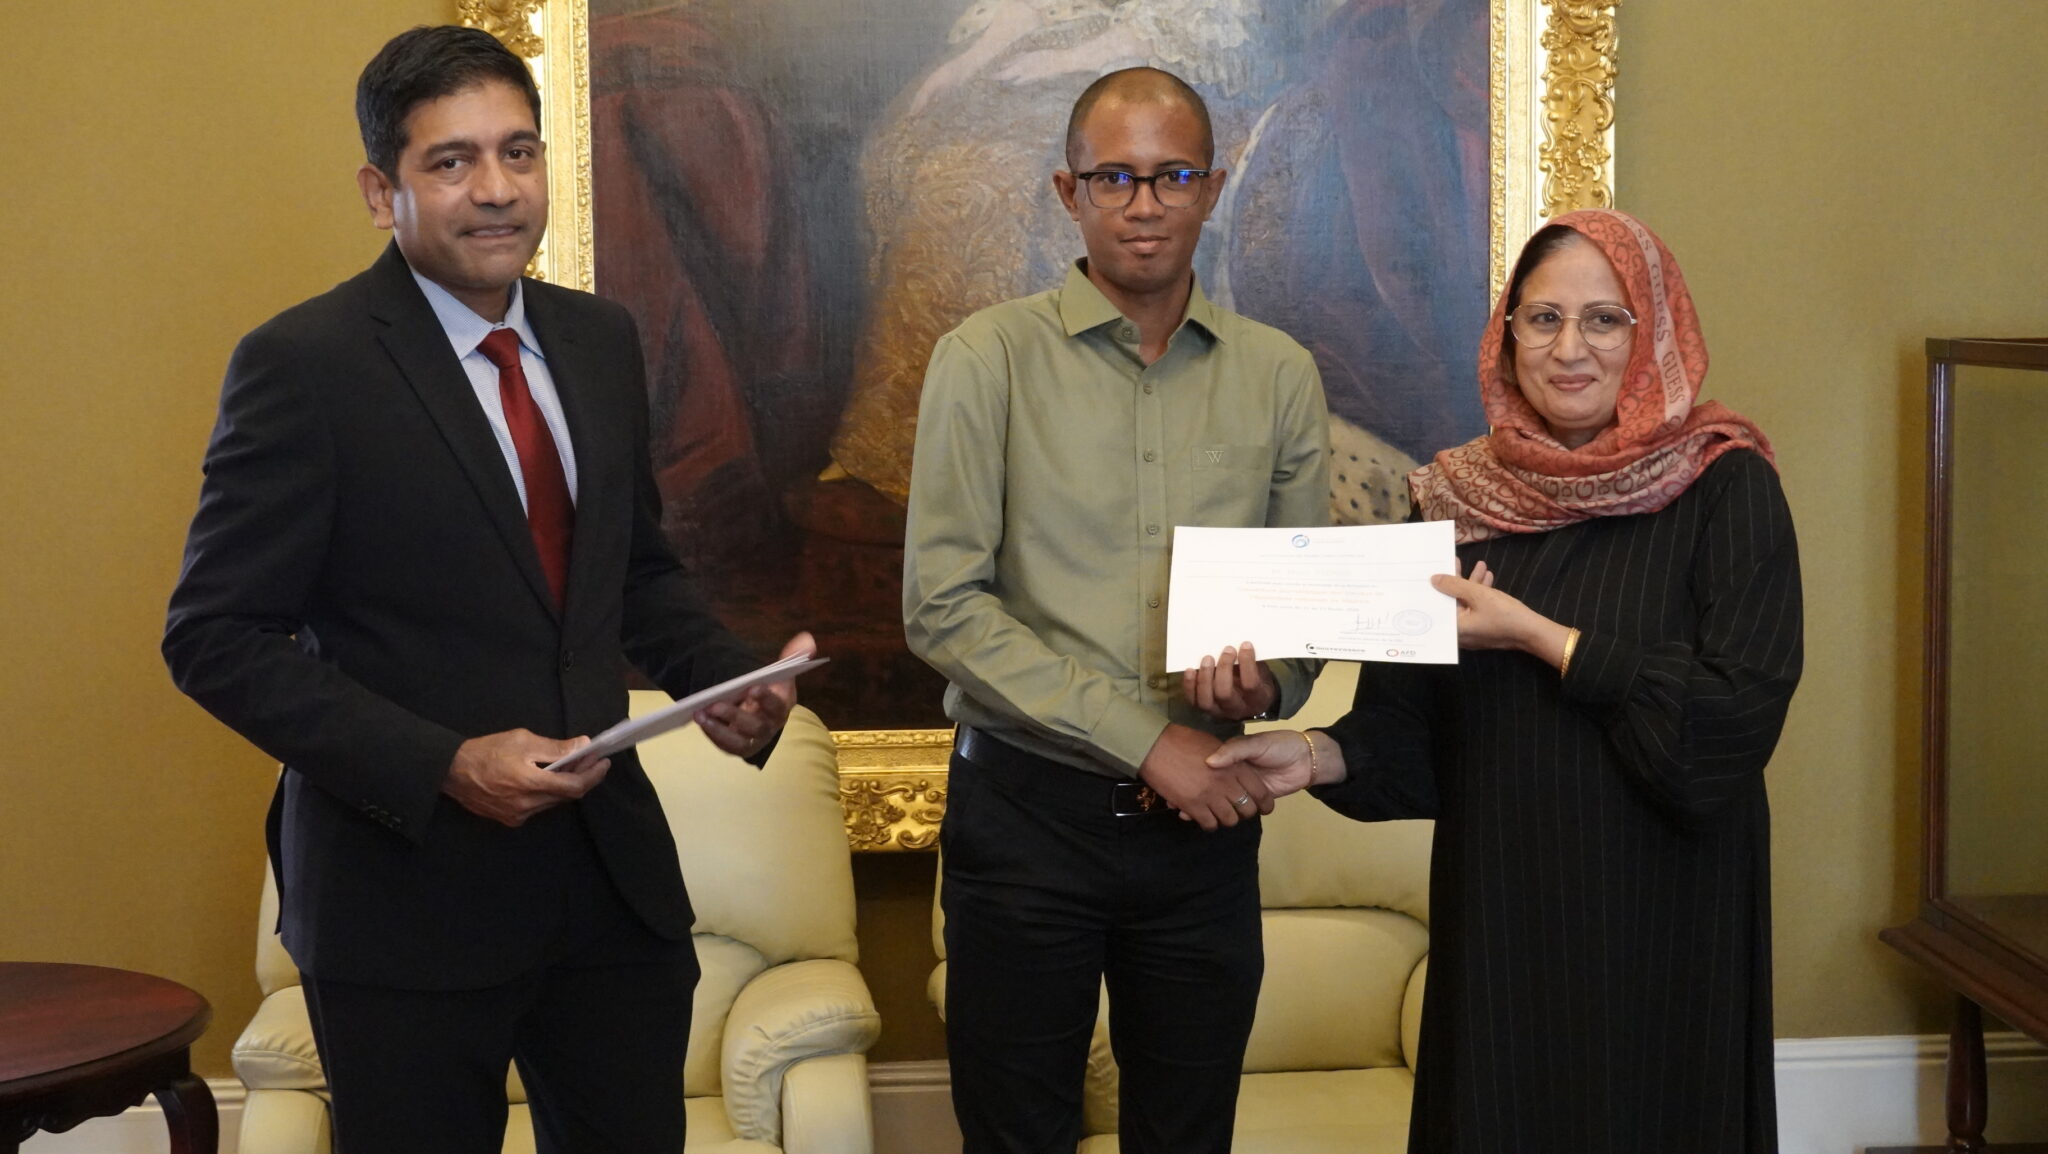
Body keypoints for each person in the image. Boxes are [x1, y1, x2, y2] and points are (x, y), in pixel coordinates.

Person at [161, 25, 811, 1154]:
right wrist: (445, 762)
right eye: (452, 161)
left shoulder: (598, 339)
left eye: (518, 152)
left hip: (609, 894)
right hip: (402, 905)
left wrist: (724, 681)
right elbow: (214, 636)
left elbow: (632, 569)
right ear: (383, 192)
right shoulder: (304, 365)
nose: (498, 189)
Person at [1211, 209, 1803, 1153]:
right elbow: (1406, 732)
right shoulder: (1451, 500)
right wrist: (1314, 754)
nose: (1570, 348)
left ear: (1654, 331)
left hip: (1667, 925)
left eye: (1604, 320)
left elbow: (1725, 727)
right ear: (1506, 333)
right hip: (1503, 919)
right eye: (1543, 318)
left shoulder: (1725, 486)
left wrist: (1540, 638)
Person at [902, 67, 1329, 1153]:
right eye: (1114, 178)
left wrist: (1265, 683)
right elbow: (942, 609)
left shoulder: (1278, 375)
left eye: (1172, 176)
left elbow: (1299, 610)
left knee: (1189, 1134)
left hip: (1203, 834)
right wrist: (1149, 742)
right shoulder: (985, 359)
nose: (1144, 204)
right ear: (1069, 191)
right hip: (1023, 821)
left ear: (1212, 188)